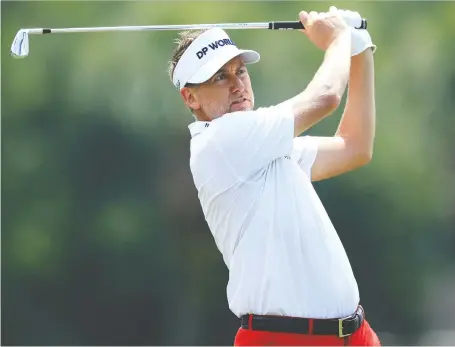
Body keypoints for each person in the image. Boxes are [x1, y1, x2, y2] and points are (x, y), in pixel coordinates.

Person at [168, 6, 379, 346]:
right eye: (220, 77)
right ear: (189, 96)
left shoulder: (261, 145)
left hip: (355, 335)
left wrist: (360, 50)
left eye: (240, 71)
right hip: (283, 339)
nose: (237, 85)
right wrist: (338, 39)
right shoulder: (221, 141)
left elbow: (355, 148)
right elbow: (325, 98)